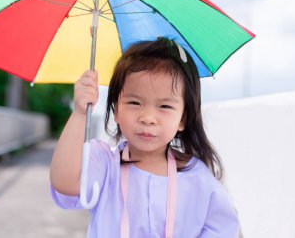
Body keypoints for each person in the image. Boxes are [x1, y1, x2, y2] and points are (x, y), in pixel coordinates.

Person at [50, 37, 240, 237]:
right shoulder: (105, 162)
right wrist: (80, 113)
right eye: (134, 102)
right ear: (116, 110)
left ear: (183, 119)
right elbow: (65, 182)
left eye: (165, 106)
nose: (148, 118)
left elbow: (222, 230)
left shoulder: (198, 177)